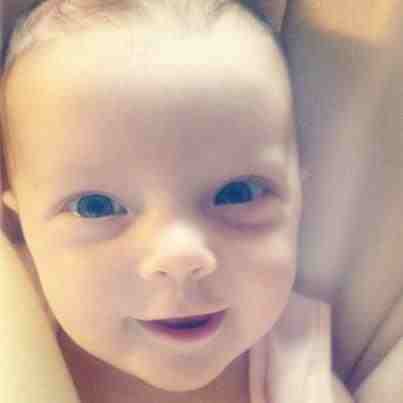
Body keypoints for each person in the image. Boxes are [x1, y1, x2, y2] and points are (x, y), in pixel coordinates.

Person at [0, 1, 354, 402]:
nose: (180, 256)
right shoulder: (13, 337)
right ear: (22, 221)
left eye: (238, 193)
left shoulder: (299, 378)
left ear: (299, 197)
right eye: (95, 207)